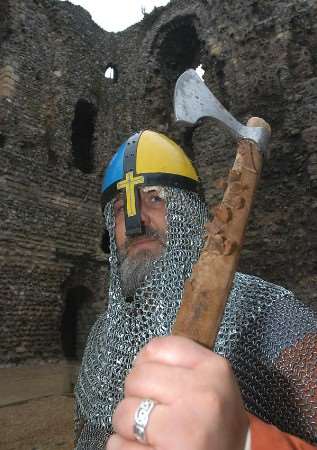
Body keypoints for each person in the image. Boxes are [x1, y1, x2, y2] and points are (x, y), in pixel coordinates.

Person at [75, 130, 317, 450]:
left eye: (156, 198)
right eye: (121, 208)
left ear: (189, 214)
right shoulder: (103, 337)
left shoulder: (271, 315)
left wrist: (244, 441)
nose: (137, 221)